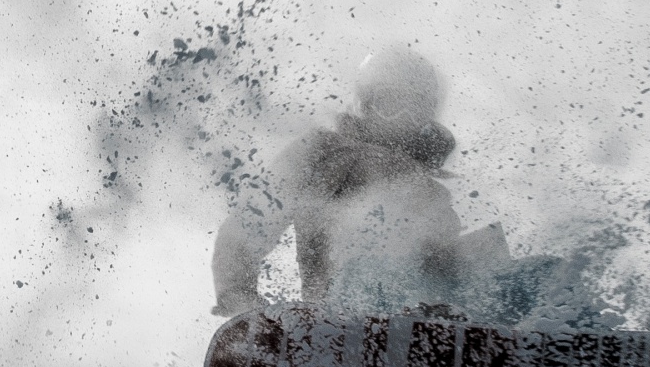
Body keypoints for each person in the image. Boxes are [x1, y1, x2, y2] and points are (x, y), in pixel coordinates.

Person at [212, 45, 515, 321]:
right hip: (345, 309)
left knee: (538, 274)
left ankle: (530, 340)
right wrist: (245, 307)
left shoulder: (433, 188)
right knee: (373, 265)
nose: (402, 118)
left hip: (431, 312)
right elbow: (245, 228)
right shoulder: (320, 152)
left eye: (415, 107)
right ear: (366, 103)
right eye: (391, 102)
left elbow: (456, 267)